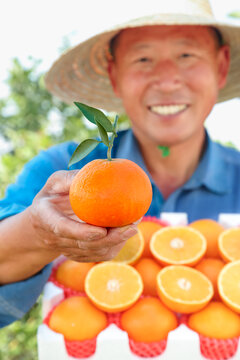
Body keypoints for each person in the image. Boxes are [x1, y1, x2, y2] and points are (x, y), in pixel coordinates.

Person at [0, 0, 240, 328]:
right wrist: (38, 233)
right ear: (115, 75)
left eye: (187, 56)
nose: (167, 81)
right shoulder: (62, 172)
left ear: (221, 65)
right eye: (143, 58)